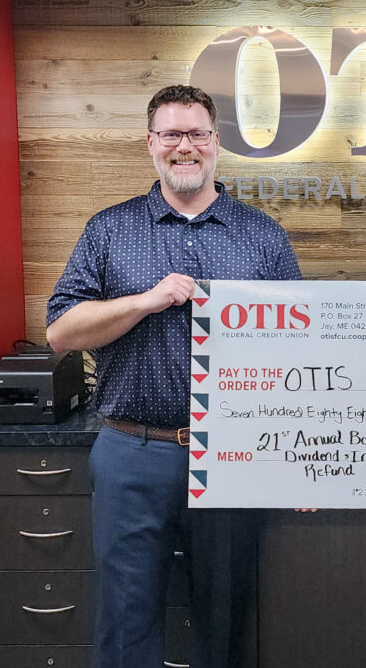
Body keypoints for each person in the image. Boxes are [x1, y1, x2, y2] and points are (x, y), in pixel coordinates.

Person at [46, 85, 302, 668]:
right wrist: (144, 301)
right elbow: (61, 330)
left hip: (236, 456)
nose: (184, 146)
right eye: (171, 134)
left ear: (217, 144)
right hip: (133, 451)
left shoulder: (261, 236)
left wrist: (297, 460)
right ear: (151, 144)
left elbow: (298, 350)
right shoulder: (110, 230)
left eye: (197, 134)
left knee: (224, 614)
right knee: (126, 615)